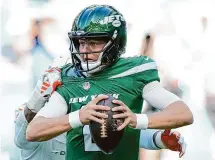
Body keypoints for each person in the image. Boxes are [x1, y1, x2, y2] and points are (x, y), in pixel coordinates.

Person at [26, 5, 193, 160]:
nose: (84, 51)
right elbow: (33, 131)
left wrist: (138, 121)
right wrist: (79, 116)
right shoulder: (69, 76)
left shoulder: (133, 72)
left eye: (93, 43)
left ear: (115, 42)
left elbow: (183, 114)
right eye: (81, 43)